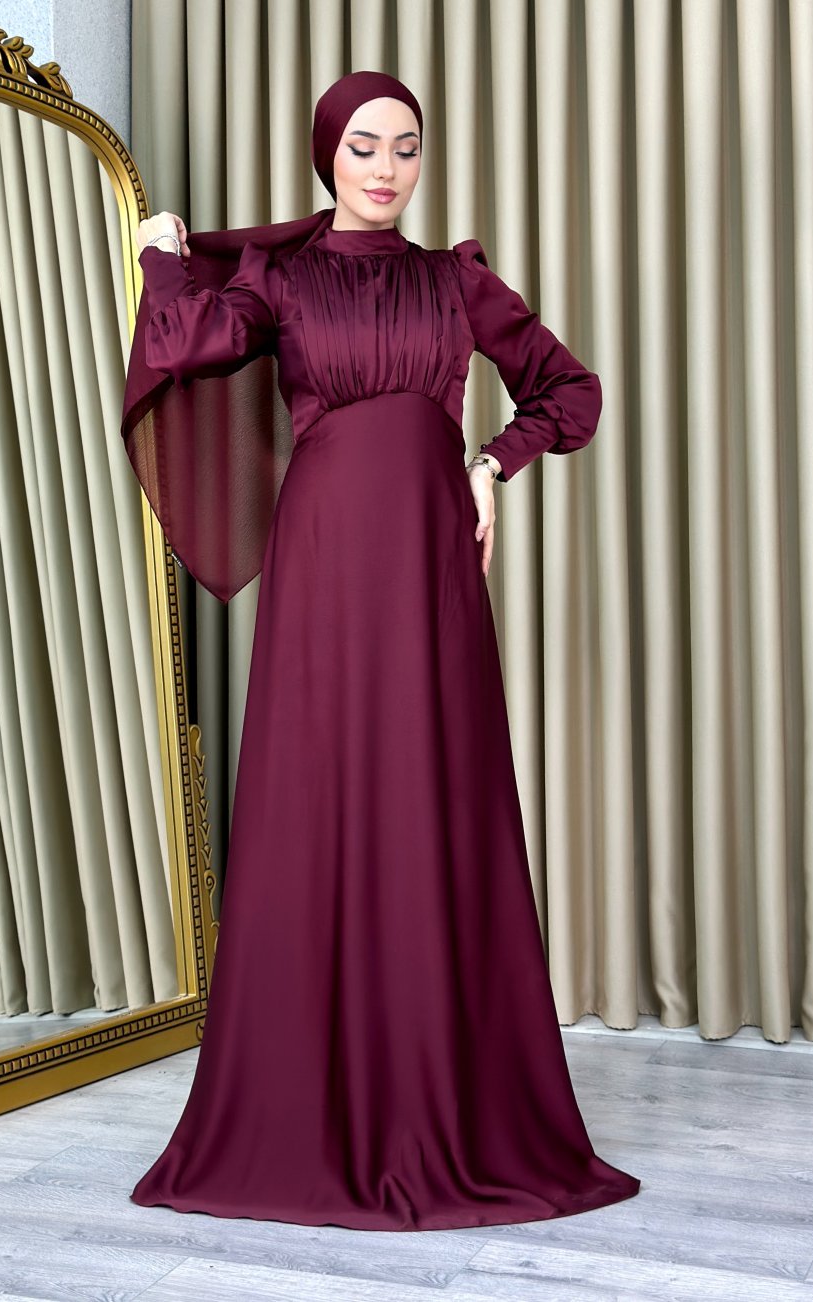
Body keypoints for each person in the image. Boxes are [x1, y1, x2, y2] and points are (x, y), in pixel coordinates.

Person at [123, 69, 640, 1231]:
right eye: (363, 146)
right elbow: (186, 343)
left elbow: (569, 389)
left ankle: (438, 1091)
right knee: (320, 797)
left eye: (405, 146)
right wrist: (162, 256)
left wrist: (489, 462)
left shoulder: (454, 280)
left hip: (430, 558)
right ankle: (314, 1104)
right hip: (323, 560)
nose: (386, 168)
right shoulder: (280, 277)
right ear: (327, 154)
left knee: (432, 796)